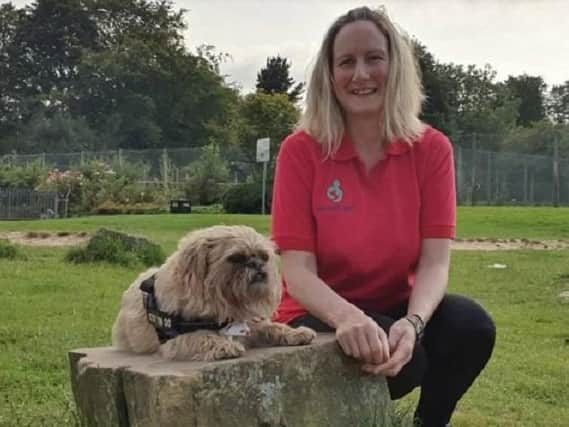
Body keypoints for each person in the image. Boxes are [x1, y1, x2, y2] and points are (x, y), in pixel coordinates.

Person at [271, 6, 496, 427]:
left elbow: (435, 262)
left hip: (394, 305)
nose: (361, 74)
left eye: (374, 58)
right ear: (329, 74)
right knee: (398, 358)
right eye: (346, 62)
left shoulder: (432, 149)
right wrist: (347, 318)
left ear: (395, 66)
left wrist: (413, 323)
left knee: (471, 327)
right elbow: (297, 272)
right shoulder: (301, 150)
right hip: (315, 311)